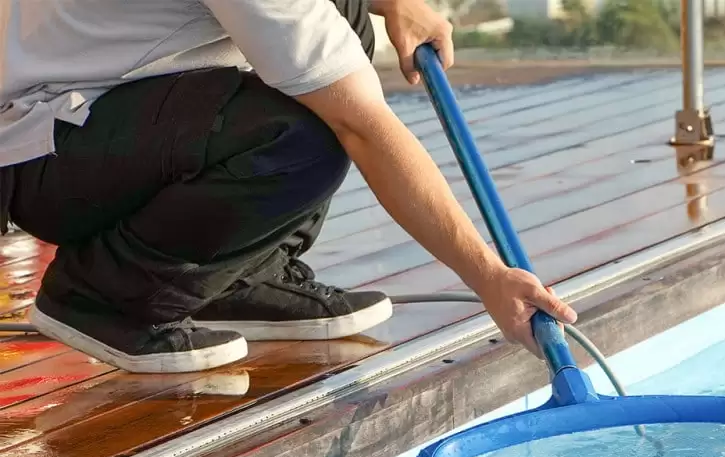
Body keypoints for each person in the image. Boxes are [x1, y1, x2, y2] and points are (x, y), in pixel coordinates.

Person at [0, 0, 577, 374]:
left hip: (100, 113)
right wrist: (487, 276)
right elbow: (362, 128)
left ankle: (236, 276)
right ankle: (102, 296)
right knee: (308, 133)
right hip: (43, 151)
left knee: (345, 24)